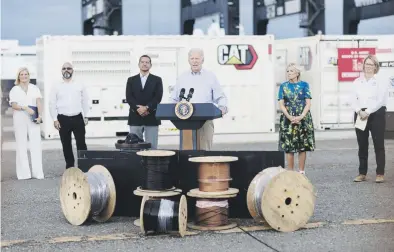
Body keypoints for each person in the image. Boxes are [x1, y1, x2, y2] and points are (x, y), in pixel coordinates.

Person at [170, 48, 228, 150]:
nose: (194, 61)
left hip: (205, 120)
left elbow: (220, 96)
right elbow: (174, 99)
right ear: (188, 60)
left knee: (205, 152)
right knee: (187, 153)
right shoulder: (182, 77)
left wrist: (223, 107)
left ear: (202, 60)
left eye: (197, 58)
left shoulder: (210, 76)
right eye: (192, 58)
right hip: (186, 120)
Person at [351, 55, 389, 183]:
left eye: (371, 65)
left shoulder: (381, 81)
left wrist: (367, 111)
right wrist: (359, 111)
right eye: (366, 64)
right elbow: (352, 99)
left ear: (375, 67)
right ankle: (362, 173)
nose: (368, 67)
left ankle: (380, 173)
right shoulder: (357, 82)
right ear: (363, 66)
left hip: (376, 114)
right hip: (360, 114)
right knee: (362, 145)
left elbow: (380, 100)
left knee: (378, 145)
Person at [49, 62, 89, 169]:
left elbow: (85, 100)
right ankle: (70, 167)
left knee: (81, 144)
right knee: (66, 144)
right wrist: (54, 119)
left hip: (77, 118)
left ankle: (84, 166)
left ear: (72, 70)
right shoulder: (56, 85)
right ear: (61, 71)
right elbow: (52, 103)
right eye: (64, 68)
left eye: (69, 68)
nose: (66, 70)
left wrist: (86, 116)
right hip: (63, 119)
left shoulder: (79, 84)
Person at [277, 63, 315, 174]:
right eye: (287, 71)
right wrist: (289, 117)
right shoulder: (283, 86)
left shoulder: (304, 85)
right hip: (288, 119)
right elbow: (281, 104)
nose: (289, 73)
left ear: (297, 73)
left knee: (302, 146)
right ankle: (291, 172)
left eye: (291, 71)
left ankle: (301, 171)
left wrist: (301, 116)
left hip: (303, 118)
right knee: (289, 146)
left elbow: (308, 103)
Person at [9, 67, 44, 180]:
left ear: (29, 76)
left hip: (33, 117)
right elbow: (14, 105)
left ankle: (37, 173)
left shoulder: (35, 88)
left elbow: (39, 102)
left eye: (26, 74)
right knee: (21, 144)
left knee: (36, 144)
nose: (24, 76)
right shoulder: (15, 90)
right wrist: (25, 108)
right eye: (21, 74)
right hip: (19, 117)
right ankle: (24, 174)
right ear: (18, 76)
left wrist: (40, 116)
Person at [126, 55, 163, 149]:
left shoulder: (157, 80)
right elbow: (129, 97)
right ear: (139, 64)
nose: (144, 64)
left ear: (150, 65)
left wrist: (147, 108)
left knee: (152, 147)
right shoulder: (131, 80)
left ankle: (152, 164)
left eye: (147, 62)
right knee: (134, 147)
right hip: (135, 117)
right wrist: (138, 109)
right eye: (142, 62)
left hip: (151, 117)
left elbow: (158, 97)